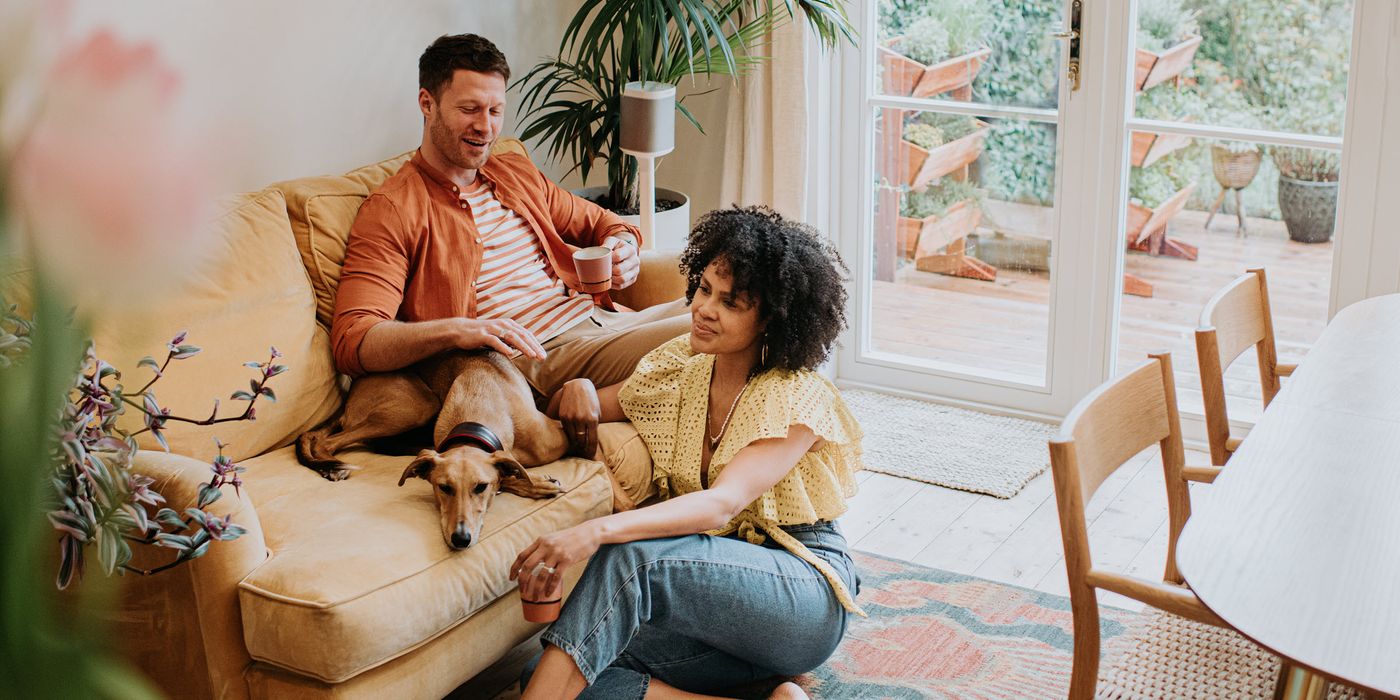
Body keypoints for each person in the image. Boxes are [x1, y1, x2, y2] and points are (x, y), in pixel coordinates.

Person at [511, 206, 866, 700]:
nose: (704, 308)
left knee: (630, 559)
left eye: (730, 302)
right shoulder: (681, 368)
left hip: (798, 596)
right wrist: (579, 389)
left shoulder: (795, 394)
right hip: (716, 613)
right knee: (560, 670)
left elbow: (721, 504)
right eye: (704, 289)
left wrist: (591, 532)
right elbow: (596, 406)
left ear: (771, 319)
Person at [330, 34, 690, 407]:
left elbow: (607, 223)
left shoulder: (514, 172)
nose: (485, 127)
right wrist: (458, 330)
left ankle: (596, 403)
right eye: (469, 109)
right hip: (533, 357)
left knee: (719, 307)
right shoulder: (393, 208)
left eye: (495, 110)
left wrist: (624, 248)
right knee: (708, 331)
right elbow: (354, 339)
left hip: (602, 321)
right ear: (427, 103)